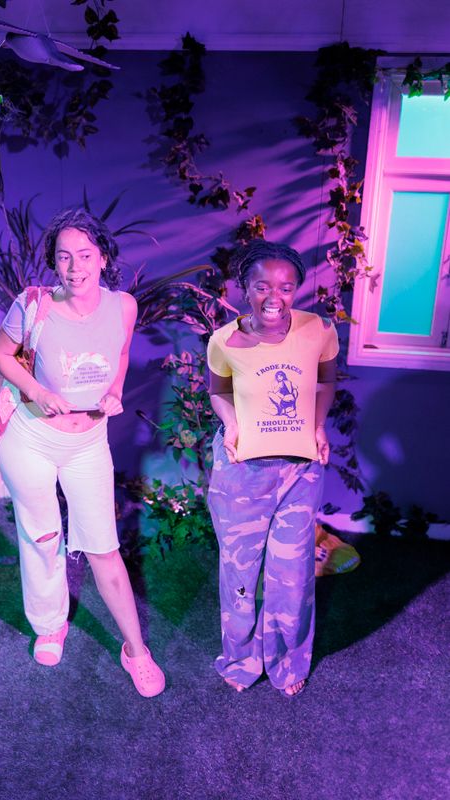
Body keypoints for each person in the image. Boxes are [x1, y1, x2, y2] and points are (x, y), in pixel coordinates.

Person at [0, 207, 164, 697]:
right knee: (42, 536)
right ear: (54, 262)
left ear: (103, 257)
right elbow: (1, 354)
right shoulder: (35, 305)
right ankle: (50, 625)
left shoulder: (123, 306)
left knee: (104, 547)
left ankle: (136, 651)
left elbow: (121, 353)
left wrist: (115, 391)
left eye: (85, 254)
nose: (74, 266)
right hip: (32, 439)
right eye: (63, 256)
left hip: (88, 443)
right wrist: (38, 392)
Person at [206, 240, 338, 697]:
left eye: (285, 287)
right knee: (240, 574)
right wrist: (231, 425)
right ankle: (240, 659)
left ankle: (287, 661)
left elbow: (326, 380)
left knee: (292, 577)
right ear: (245, 288)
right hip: (242, 473)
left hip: (300, 473)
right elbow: (218, 390)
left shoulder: (318, 329)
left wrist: (318, 425)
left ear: (296, 289)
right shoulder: (223, 341)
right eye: (262, 286)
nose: (274, 297)